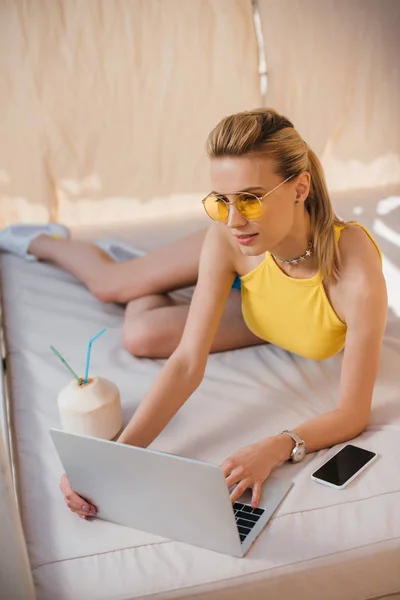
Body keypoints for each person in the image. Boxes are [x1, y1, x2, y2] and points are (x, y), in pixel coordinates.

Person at [0, 108, 388, 519]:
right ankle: (44, 240)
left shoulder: (354, 276)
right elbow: (187, 362)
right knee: (111, 286)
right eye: (223, 201)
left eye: (252, 200)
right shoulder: (228, 236)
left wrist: (275, 446)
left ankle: (157, 277)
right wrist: (112, 458)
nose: (235, 220)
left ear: (300, 188)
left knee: (140, 334)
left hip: (269, 317)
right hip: (255, 287)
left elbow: (353, 413)